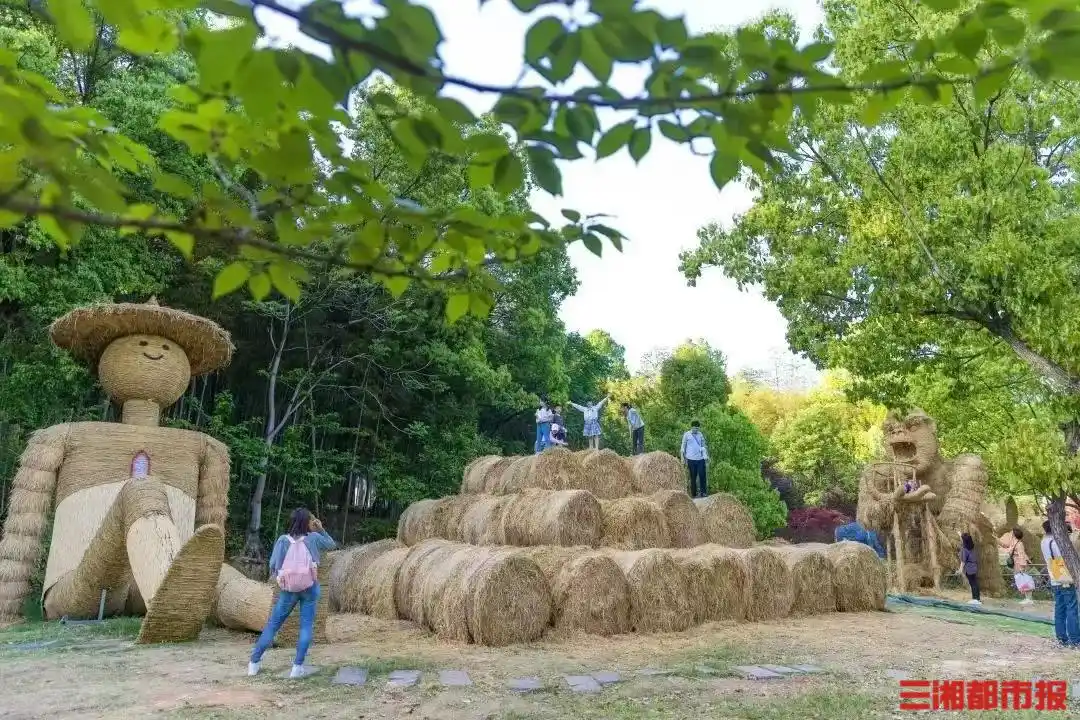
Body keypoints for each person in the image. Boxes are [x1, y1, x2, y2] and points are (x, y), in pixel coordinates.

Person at [248, 508, 336, 678]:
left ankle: (254, 663)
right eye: (311, 521)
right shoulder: (315, 538)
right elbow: (332, 544)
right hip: (309, 588)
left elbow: (274, 565)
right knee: (306, 626)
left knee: (273, 625)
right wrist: (321, 529)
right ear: (307, 522)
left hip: (288, 590)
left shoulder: (283, 540)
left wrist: (283, 577)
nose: (313, 523)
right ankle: (297, 667)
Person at [1042, 519, 1080, 647]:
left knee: (1060, 608)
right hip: (1065, 578)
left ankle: (1061, 638)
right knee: (1072, 608)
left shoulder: (1044, 541)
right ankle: (1075, 639)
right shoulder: (1056, 542)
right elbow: (1065, 558)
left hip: (1054, 578)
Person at [999, 527, 1034, 605]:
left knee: (1024, 581)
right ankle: (1027, 598)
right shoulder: (1015, 543)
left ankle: (1028, 598)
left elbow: (1021, 555)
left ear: (1014, 535)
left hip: (1020, 565)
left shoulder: (1019, 544)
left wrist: (1022, 567)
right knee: (1022, 581)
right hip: (1017, 564)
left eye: (1011, 533)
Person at [680, 420, 709, 499]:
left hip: (700, 459)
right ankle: (694, 494)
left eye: (697, 428)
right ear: (691, 427)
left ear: (698, 428)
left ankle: (703, 492)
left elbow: (703, 446)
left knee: (702, 475)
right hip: (691, 459)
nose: (695, 430)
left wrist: (706, 457)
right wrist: (683, 458)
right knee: (693, 477)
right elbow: (683, 447)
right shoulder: (687, 435)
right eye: (694, 428)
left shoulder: (700, 435)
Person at [959, 532, 981, 605]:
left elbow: (963, 561)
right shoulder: (972, 546)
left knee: (973, 583)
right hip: (974, 566)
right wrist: (960, 534)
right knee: (975, 583)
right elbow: (965, 540)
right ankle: (977, 598)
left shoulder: (964, 549)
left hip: (969, 568)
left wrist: (960, 569)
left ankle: (975, 599)